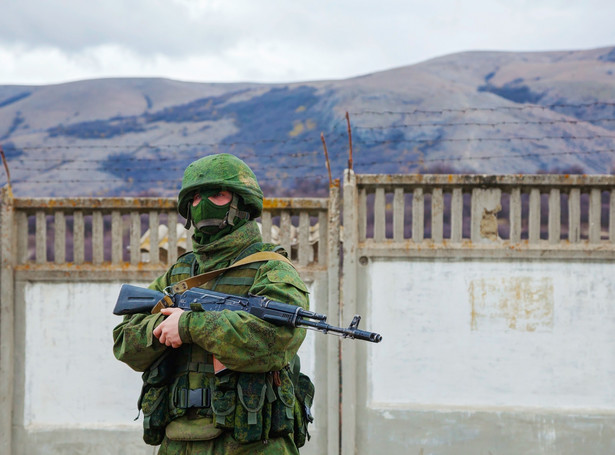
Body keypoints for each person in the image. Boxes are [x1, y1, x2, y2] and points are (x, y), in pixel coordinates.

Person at [113, 153, 312, 454]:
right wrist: (165, 326)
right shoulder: (179, 274)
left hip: (251, 445)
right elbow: (125, 343)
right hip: (178, 442)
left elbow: (275, 340)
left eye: (217, 194)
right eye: (194, 197)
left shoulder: (272, 269)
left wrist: (190, 324)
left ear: (242, 202)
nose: (202, 204)